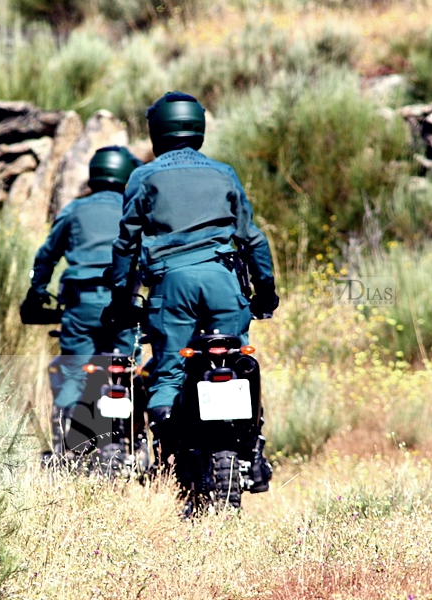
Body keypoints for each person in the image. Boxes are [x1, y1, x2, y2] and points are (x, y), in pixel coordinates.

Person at [104, 91, 279, 461]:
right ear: (198, 128)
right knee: (233, 362)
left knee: (168, 374)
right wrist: (265, 292)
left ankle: (174, 454)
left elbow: (125, 245)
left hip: (173, 286)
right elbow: (253, 239)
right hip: (224, 284)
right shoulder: (223, 172)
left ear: (157, 132)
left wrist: (121, 299)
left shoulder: (143, 176)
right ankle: (251, 453)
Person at [21, 145, 144, 462]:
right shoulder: (135, 209)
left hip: (80, 306)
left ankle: (66, 450)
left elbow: (46, 255)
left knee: (74, 373)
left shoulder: (74, 210)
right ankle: (135, 442)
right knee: (127, 369)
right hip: (124, 305)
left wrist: (37, 290)